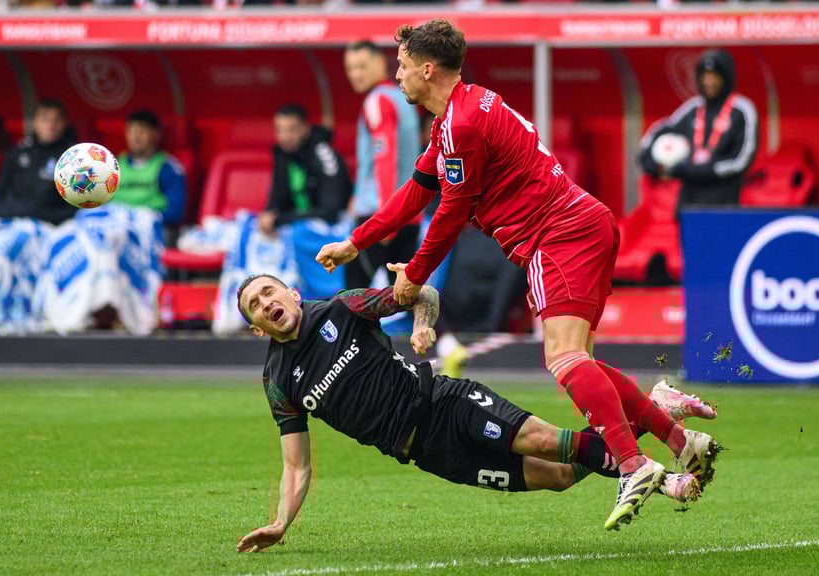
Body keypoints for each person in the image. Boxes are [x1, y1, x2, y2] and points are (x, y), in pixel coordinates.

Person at [316, 19, 721, 530]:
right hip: (583, 224)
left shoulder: (460, 126)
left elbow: (450, 213)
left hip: (559, 236)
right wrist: (357, 242)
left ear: (427, 68)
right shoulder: (458, 113)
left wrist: (414, 277)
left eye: (400, 65)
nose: (395, 75)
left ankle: (633, 465)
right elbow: (418, 190)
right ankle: (679, 439)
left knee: (565, 358)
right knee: (581, 360)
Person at [234, 274, 709, 552]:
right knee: (561, 475)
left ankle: (658, 477)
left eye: (270, 292)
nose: (267, 303)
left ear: (293, 294)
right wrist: (281, 523)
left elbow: (422, 293)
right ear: (256, 328)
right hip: (427, 453)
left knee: (545, 440)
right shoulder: (278, 382)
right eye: (255, 305)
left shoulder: (342, 308)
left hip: (444, 404)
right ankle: (648, 413)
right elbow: (296, 464)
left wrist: (422, 326)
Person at [342, 40, 422, 291]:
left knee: (353, 297)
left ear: (380, 63)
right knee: (405, 296)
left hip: (379, 215)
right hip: (409, 212)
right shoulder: (402, 98)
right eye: (351, 68)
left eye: (362, 66)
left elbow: (385, 161)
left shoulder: (377, 102)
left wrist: (387, 222)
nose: (356, 74)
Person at [638, 49, 758, 211]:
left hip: (723, 203)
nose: (709, 82)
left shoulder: (742, 109)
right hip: (688, 203)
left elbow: (741, 160)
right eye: (705, 76)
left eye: (715, 76)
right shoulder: (693, 108)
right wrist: (650, 161)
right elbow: (661, 131)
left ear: (726, 77)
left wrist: (700, 170)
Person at [257, 104, 351, 236]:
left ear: (306, 129)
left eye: (292, 130)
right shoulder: (282, 154)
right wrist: (268, 216)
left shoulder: (323, 153)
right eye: (280, 130)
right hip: (293, 222)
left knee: (300, 235)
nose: (285, 137)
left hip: (330, 225)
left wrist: (280, 219)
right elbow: (275, 201)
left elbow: (331, 211)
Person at [0, 98, 77, 226]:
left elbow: (74, 207)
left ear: (64, 123)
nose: (51, 126)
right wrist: (11, 214)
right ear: (36, 123)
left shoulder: (72, 158)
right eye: (45, 120)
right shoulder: (18, 152)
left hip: (51, 228)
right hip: (12, 223)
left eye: (56, 120)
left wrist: (39, 216)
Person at [114, 109, 187, 226]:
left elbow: (175, 213)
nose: (135, 138)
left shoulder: (168, 168)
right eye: (131, 131)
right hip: (111, 226)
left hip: (147, 231)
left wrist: (141, 218)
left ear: (156, 134)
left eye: (141, 131)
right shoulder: (113, 164)